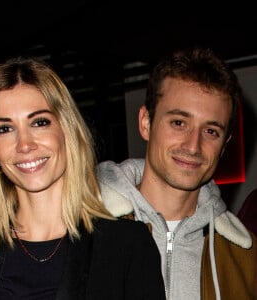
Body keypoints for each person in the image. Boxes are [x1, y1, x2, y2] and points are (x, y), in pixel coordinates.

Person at [0, 57, 166, 300]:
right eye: (5, 129)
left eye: (39, 122)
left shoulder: (125, 246)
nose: (24, 144)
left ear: (66, 130)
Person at [97, 47, 257, 300]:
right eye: (179, 123)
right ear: (145, 123)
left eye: (211, 131)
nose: (193, 146)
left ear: (224, 145)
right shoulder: (84, 228)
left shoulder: (245, 259)